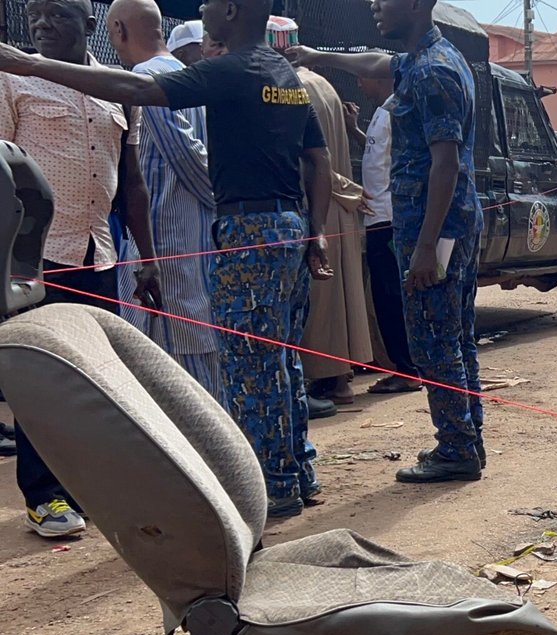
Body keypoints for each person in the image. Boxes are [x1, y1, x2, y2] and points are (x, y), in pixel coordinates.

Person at [0, 0, 339, 519]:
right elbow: (318, 157)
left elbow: (140, 93)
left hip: (245, 232)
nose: (201, 9)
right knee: (281, 358)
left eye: (209, 3)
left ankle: (273, 485)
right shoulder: (282, 75)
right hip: (284, 226)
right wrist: (314, 231)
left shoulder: (232, 68)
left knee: (250, 364)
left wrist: (30, 63)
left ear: (231, 12)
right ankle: (296, 470)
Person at [288, 0, 486, 485]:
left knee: (434, 341)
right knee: (454, 337)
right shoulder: (425, 58)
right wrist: (318, 56)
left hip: (435, 230)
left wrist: (425, 246)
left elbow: (446, 163)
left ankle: (456, 449)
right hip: (446, 225)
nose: (375, 5)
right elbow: (379, 62)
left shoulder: (434, 71)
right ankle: (466, 439)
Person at [0, 0, 162, 537]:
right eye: (35, 14)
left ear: (91, 24)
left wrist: (148, 257)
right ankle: (44, 496)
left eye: (58, 14)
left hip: (99, 252)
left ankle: (90, 486)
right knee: (41, 376)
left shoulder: (117, 87)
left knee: (96, 374)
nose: (42, 24)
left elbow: (132, 180)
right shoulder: (11, 80)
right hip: (33, 257)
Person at [105, 0, 220, 402]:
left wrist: (216, 199)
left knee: (180, 353)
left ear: (118, 30)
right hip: (196, 235)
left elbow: (188, 157)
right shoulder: (188, 76)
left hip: (169, 239)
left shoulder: (145, 79)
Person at [276, 18, 371, 409]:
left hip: (314, 202)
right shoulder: (324, 84)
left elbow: (307, 158)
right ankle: (340, 380)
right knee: (339, 297)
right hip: (337, 203)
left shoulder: (288, 88)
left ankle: (320, 379)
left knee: (318, 303)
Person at [349, 76, 420, 395]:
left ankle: (408, 369)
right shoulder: (383, 111)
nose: (359, 84)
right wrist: (354, 130)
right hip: (376, 215)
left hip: (388, 218)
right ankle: (404, 366)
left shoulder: (397, 112)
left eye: (363, 77)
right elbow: (381, 157)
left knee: (391, 297)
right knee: (385, 295)